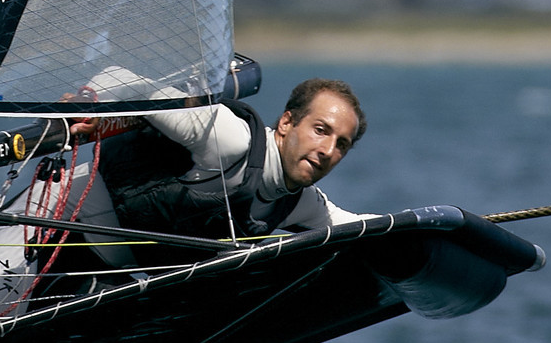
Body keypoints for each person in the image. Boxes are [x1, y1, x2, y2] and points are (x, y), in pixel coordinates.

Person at [95, 76, 366, 249]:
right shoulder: (229, 139)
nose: (328, 150)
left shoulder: (298, 202)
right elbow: (123, 79)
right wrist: (87, 110)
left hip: (106, 279)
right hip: (69, 230)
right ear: (286, 123)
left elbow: (366, 228)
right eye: (320, 130)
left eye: (342, 144)